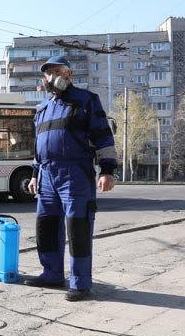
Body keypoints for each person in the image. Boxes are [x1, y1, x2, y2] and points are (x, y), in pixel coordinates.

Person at [24, 55, 117, 302]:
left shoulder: (86, 100)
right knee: (46, 227)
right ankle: (52, 274)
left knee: (78, 228)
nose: (51, 77)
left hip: (75, 174)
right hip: (46, 176)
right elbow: (38, 147)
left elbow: (103, 137)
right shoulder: (42, 108)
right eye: (47, 73)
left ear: (68, 74)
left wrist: (107, 170)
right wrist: (35, 174)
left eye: (56, 71)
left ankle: (80, 284)